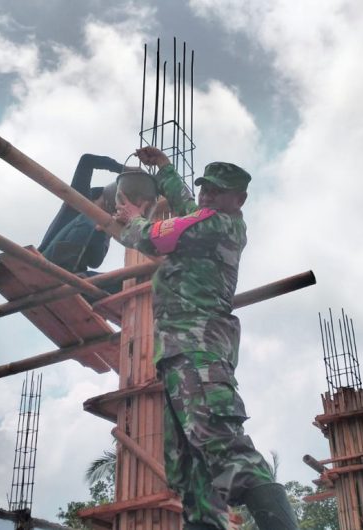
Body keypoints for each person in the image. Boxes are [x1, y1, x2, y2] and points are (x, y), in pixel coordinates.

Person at [114, 146, 299, 530]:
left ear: (239, 199)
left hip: (196, 350)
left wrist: (132, 220)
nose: (207, 196)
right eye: (205, 188)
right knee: (196, 478)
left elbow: (153, 238)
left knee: (222, 446)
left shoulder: (218, 224)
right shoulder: (206, 221)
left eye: (217, 191)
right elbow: (185, 207)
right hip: (182, 352)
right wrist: (164, 167)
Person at [38, 153, 122, 275]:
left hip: (75, 276)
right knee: (90, 215)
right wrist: (123, 169)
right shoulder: (78, 202)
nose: (105, 214)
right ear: (96, 198)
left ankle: (69, 278)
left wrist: (101, 232)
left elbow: (94, 262)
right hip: (48, 261)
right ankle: (64, 273)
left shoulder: (105, 228)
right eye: (105, 206)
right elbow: (86, 161)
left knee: (121, 281)